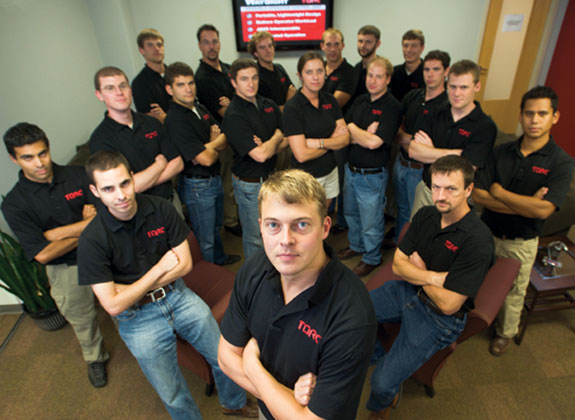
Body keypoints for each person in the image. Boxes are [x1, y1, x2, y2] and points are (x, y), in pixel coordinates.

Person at [77, 151, 256, 420]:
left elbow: (184, 265)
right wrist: (159, 269)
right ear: (95, 191)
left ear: (132, 178)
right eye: (108, 188)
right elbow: (113, 305)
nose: (121, 195)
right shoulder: (92, 240)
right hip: (138, 319)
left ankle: (234, 403)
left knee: (224, 357)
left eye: (125, 183)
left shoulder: (159, 208)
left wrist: (127, 289)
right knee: (171, 391)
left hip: (179, 296)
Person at [218, 169, 377, 420]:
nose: (285, 240)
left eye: (301, 225)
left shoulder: (352, 316)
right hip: (269, 409)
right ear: (261, 227)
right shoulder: (255, 268)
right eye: (273, 225)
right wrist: (287, 398)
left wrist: (252, 365)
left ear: (325, 227)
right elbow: (225, 357)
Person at [367, 155, 494, 420]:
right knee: (353, 313)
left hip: (439, 318)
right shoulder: (426, 214)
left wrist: (420, 270)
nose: (441, 195)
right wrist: (435, 277)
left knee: (380, 384)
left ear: (469, 190)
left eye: (450, 189)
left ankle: (386, 396)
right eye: (436, 187)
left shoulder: (478, 241)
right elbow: (398, 265)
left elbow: (449, 304)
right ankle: (384, 362)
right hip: (407, 291)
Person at [2, 123, 109, 387]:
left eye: (42, 153)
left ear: (48, 148)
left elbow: (106, 214)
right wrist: (85, 226)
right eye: (28, 157)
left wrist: (56, 233)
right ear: (14, 158)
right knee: (82, 318)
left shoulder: (79, 175)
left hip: (103, 252)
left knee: (126, 305)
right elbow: (43, 254)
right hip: (64, 268)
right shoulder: (15, 203)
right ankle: (95, 358)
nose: (39, 163)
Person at [473, 86, 573, 356]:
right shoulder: (502, 152)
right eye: (529, 113)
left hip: (521, 242)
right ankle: (472, 319)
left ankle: (505, 334)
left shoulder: (561, 162)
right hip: (486, 231)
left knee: (514, 291)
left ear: (555, 117)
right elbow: (480, 195)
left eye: (542, 113)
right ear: (520, 116)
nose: (535, 120)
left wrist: (501, 192)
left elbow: (543, 212)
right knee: (477, 276)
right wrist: (526, 203)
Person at [163, 61, 240, 266]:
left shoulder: (199, 107)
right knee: (204, 238)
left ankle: (220, 260)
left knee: (216, 227)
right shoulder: (176, 119)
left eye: (191, 83)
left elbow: (225, 136)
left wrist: (209, 146)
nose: (188, 89)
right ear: (169, 89)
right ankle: (210, 274)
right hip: (197, 185)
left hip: (213, 179)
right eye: (181, 85)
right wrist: (213, 144)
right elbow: (205, 158)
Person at [337, 57, 401, 277]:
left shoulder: (392, 107)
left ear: (388, 79)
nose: (373, 80)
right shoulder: (361, 100)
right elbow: (342, 131)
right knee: (351, 214)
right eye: (370, 75)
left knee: (371, 221)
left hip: (371, 177)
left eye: (379, 76)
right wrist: (361, 132)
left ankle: (372, 257)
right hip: (351, 170)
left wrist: (356, 130)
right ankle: (357, 245)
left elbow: (375, 143)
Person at [90, 66, 184, 214]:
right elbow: (126, 188)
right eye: (110, 88)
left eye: (123, 86)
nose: (119, 93)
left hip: (170, 202)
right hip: (139, 213)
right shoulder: (100, 139)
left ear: (130, 89)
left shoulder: (151, 123)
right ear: (99, 95)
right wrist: (159, 165)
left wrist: (140, 182)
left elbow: (177, 163)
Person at [409, 59, 497, 217]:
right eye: (453, 87)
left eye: (464, 87)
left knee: (445, 240)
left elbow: (466, 169)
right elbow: (414, 151)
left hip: (455, 199)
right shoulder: (434, 112)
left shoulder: (485, 126)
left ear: (477, 87)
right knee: (418, 237)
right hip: (426, 190)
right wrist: (456, 154)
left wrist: (430, 151)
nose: (457, 93)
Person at [222, 58, 286, 259]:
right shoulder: (233, 115)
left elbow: (288, 137)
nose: (250, 83)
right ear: (234, 82)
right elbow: (260, 155)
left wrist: (268, 144)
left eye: (254, 78)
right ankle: (257, 281)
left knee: (273, 230)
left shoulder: (268, 104)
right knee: (255, 237)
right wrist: (275, 137)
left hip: (272, 178)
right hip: (250, 186)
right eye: (244, 79)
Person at [392, 50, 450, 246]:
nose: (430, 74)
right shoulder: (412, 97)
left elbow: (440, 147)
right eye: (426, 69)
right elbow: (397, 128)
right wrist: (412, 142)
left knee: (417, 216)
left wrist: (413, 145)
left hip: (421, 171)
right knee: (401, 210)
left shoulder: (448, 105)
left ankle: (410, 249)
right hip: (401, 163)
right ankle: (399, 245)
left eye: (436, 69)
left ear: (446, 71)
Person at [283, 52, 350, 209]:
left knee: (322, 218)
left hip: (331, 171)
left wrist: (318, 142)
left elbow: (345, 139)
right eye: (309, 72)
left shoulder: (330, 100)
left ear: (325, 72)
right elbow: (301, 155)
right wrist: (332, 141)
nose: (315, 77)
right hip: (307, 178)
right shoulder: (293, 108)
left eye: (320, 71)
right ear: (299, 75)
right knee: (307, 222)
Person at [195, 24, 240, 236]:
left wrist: (234, 104)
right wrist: (234, 105)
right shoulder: (202, 78)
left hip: (238, 134)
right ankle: (231, 221)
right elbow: (225, 112)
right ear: (200, 46)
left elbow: (239, 103)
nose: (211, 46)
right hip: (223, 137)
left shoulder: (228, 68)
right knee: (228, 179)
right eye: (206, 42)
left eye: (214, 41)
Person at [320, 27, 359, 233]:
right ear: (322, 46)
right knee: (322, 182)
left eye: (336, 44)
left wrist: (311, 108)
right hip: (318, 135)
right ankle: (323, 219)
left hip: (338, 136)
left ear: (343, 46)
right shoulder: (319, 69)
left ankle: (341, 222)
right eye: (328, 44)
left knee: (340, 181)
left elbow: (335, 103)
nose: (332, 49)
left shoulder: (349, 72)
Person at [248, 31, 296, 110]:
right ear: (255, 53)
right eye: (262, 47)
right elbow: (267, 111)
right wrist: (288, 103)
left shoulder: (279, 68)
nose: (268, 50)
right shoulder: (255, 77)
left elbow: (293, 92)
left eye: (270, 46)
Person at [131, 28, 171, 122]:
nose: (156, 49)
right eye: (150, 45)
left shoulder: (176, 74)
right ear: (142, 50)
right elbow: (152, 120)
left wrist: (166, 116)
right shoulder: (139, 84)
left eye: (159, 45)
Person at [389, 29, 425, 102]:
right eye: (406, 45)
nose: (409, 50)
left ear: (422, 48)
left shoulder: (427, 74)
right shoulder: (393, 72)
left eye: (414, 46)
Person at [351, 25, 381, 104]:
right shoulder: (356, 69)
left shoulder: (382, 70)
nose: (363, 46)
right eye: (360, 41)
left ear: (378, 44)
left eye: (368, 42)